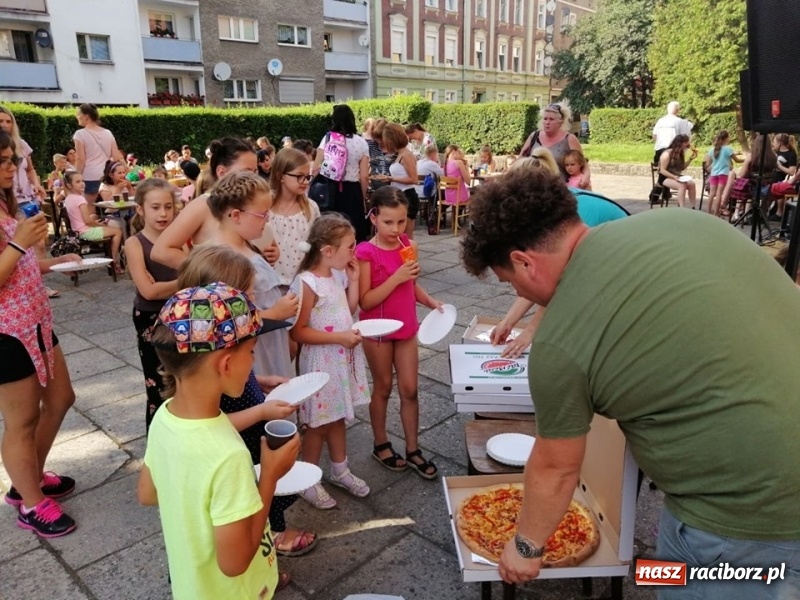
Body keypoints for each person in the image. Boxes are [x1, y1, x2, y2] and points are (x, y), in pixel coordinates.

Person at [460, 168, 800, 600]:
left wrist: (525, 547)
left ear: (525, 261)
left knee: (683, 580)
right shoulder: (685, 221)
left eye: (510, 281)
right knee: (659, 572)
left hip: (744, 518)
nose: (518, 292)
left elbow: (556, 467)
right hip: (768, 481)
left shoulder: (560, 345)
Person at [137, 282, 300, 600]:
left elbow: (147, 493)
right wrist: (269, 475)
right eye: (251, 352)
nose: (253, 361)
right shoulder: (228, 456)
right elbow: (235, 563)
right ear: (225, 365)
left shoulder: (166, 416)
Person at [176, 246, 316, 565]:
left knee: (258, 511)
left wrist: (260, 380)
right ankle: (266, 550)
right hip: (245, 454)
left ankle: (266, 546)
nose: (255, 305)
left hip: (251, 447)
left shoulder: (212, 353)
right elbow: (214, 423)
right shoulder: (209, 382)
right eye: (249, 297)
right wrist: (263, 412)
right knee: (249, 513)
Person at [0, 131, 82, 538]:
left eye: (10, 159)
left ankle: (26, 478)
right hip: (6, 333)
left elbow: (18, 266)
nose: (10, 168)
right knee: (22, 420)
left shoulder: (5, 201)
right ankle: (30, 503)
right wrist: (18, 243)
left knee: (62, 397)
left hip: (34, 320)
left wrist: (52, 262)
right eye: (1, 161)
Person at [491, 157, 628, 357]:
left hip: (622, 273)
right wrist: (509, 321)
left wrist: (530, 331)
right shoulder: (551, 204)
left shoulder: (570, 215)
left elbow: (565, 281)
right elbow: (535, 278)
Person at [355, 187, 442, 479]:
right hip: (377, 330)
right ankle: (381, 444)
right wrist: (396, 277)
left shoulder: (408, 245)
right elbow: (365, 301)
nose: (396, 229)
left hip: (405, 326)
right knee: (382, 388)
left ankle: (414, 449)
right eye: (389, 222)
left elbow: (411, 284)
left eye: (401, 221)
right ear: (374, 217)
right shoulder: (365, 252)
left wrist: (430, 301)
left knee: (410, 389)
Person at [289, 214, 371, 508]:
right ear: (327, 251)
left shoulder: (336, 275)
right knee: (318, 424)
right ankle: (307, 479)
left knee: (336, 418)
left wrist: (354, 280)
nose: (355, 251)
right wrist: (338, 338)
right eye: (350, 247)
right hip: (321, 362)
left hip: (339, 360)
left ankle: (340, 470)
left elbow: (348, 312)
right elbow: (299, 331)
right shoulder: (307, 282)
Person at [206, 171, 298, 380]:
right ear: (236, 215)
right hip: (255, 355)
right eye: (262, 215)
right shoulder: (224, 260)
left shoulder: (245, 244)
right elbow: (225, 320)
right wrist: (275, 313)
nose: (267, 220)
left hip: (270, 345)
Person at [152, 137, 275, 269]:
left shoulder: (252, 203)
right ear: (222, 172)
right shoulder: (202, 205)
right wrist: (208, 271)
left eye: (255, 171)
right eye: (247, 172)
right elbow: (161, 251)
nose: (254, 178)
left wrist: (270, 253)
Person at [124, 179, 179, 429]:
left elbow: (158, 288)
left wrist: (163, 287)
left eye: (168, 206)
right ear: (140, 209)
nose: (163, 213)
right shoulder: (135, 243)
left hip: (182, 316)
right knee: (158, 384)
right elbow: (148, 291)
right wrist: (186, 280)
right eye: (155, 207)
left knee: (186, 380)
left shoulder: (182, 239)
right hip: (151, 319)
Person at [314, 104, 370, 242]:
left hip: (330, 187)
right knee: (354, 228)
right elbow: (364, 175)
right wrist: (363, 196)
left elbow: (316, 167)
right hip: (352, 190)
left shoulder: (327, 139)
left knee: (331, 230)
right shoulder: (361, 142)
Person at [268, 148, 320, 293]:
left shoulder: (310, 207)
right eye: (299, 176)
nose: (304, 182)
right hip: (271, 284)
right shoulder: (265, 207)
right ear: (280, 176)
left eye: (307, 177)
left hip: (303, 282)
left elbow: (316, 242)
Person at [62, 171, 124, 273]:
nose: (82, 183)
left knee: (96, 217)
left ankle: (113, 259)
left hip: (76, 232)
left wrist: (94, 221)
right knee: (117, 231)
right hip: (86, 232)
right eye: (78, 182)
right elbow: (87, 221)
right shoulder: (79, 199)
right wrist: (98, 224)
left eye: (82, 181)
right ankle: (113, 261)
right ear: (69, 185)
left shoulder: (68, 198)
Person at [519, 101, 591, 186]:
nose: (547, 122)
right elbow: (520, 159)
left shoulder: (570, 139)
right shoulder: (534, 136)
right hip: (533, 187)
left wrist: (586, 177)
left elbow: (582, 162)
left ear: (561, 122)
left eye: (551, 119)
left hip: (560, 189)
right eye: (545, 119)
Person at [73, 104, 123, 203]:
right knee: (108, 206)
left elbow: (80, 159)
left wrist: (75, 177)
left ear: (86, 117)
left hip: (90, 176)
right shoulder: (108, 133)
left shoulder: (80, 134)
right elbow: (116, 156)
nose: (77, 116)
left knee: (90, 207)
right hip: (106, 176)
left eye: (78, 114)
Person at [383, 123, 420, 238]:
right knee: (400, 236)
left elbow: (414, 179)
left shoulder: (406, 155)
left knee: (406, 237)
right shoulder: (400, 154)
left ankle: (410, 256)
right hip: (400, 196)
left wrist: (392, 178)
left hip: (408, 196)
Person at [703, 130, 740, 217]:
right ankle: (716, 213)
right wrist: (745, 159)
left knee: (712, 194)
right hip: (723, 174)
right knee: (719, 193)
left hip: (714, 174)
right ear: (726, 139)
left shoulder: (712, 150)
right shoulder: (728, 150)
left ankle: (708, 212)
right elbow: (737, 160)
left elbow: (707, 163)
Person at [658, 134, 698, 208]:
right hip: (665, 177)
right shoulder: (667, 154)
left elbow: (682, 167)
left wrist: (690, 159)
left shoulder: (680, 153)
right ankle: (682, 208)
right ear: (680, 143)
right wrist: (673, 177)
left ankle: (693, 207)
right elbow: (662, 170)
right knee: (682, 185)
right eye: (686, 142)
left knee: (692, 184)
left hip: (677, 176)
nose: (688, 144)